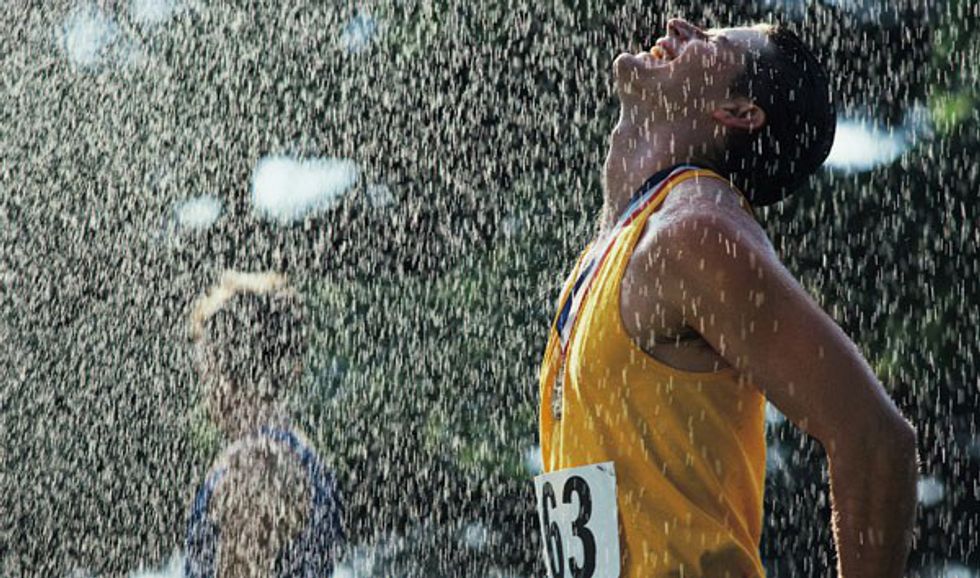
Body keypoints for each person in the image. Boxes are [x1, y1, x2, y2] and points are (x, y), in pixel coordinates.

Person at [536, 18, 918, 578]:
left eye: (714, 41)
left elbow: (876, 439)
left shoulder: (695, 231)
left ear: (738, 112)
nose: (680, 25)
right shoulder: (620, 246)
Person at [184, 270, 343, 578]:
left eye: (204, 370)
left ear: (221, 374)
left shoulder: (254, 465)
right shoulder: (299, 451)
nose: (203, 388)